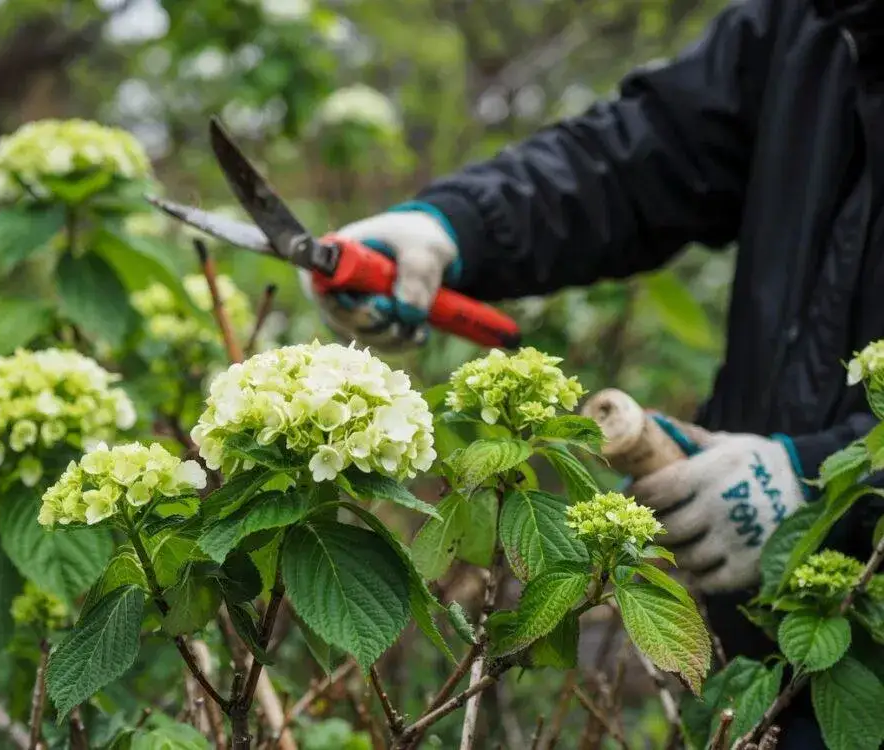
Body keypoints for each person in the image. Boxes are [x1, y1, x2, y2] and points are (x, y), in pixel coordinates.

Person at [302, 1, 884, 747]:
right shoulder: (810, 24)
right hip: (759, 658)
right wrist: (454, 225)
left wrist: (827, 485)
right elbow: (652, 151)